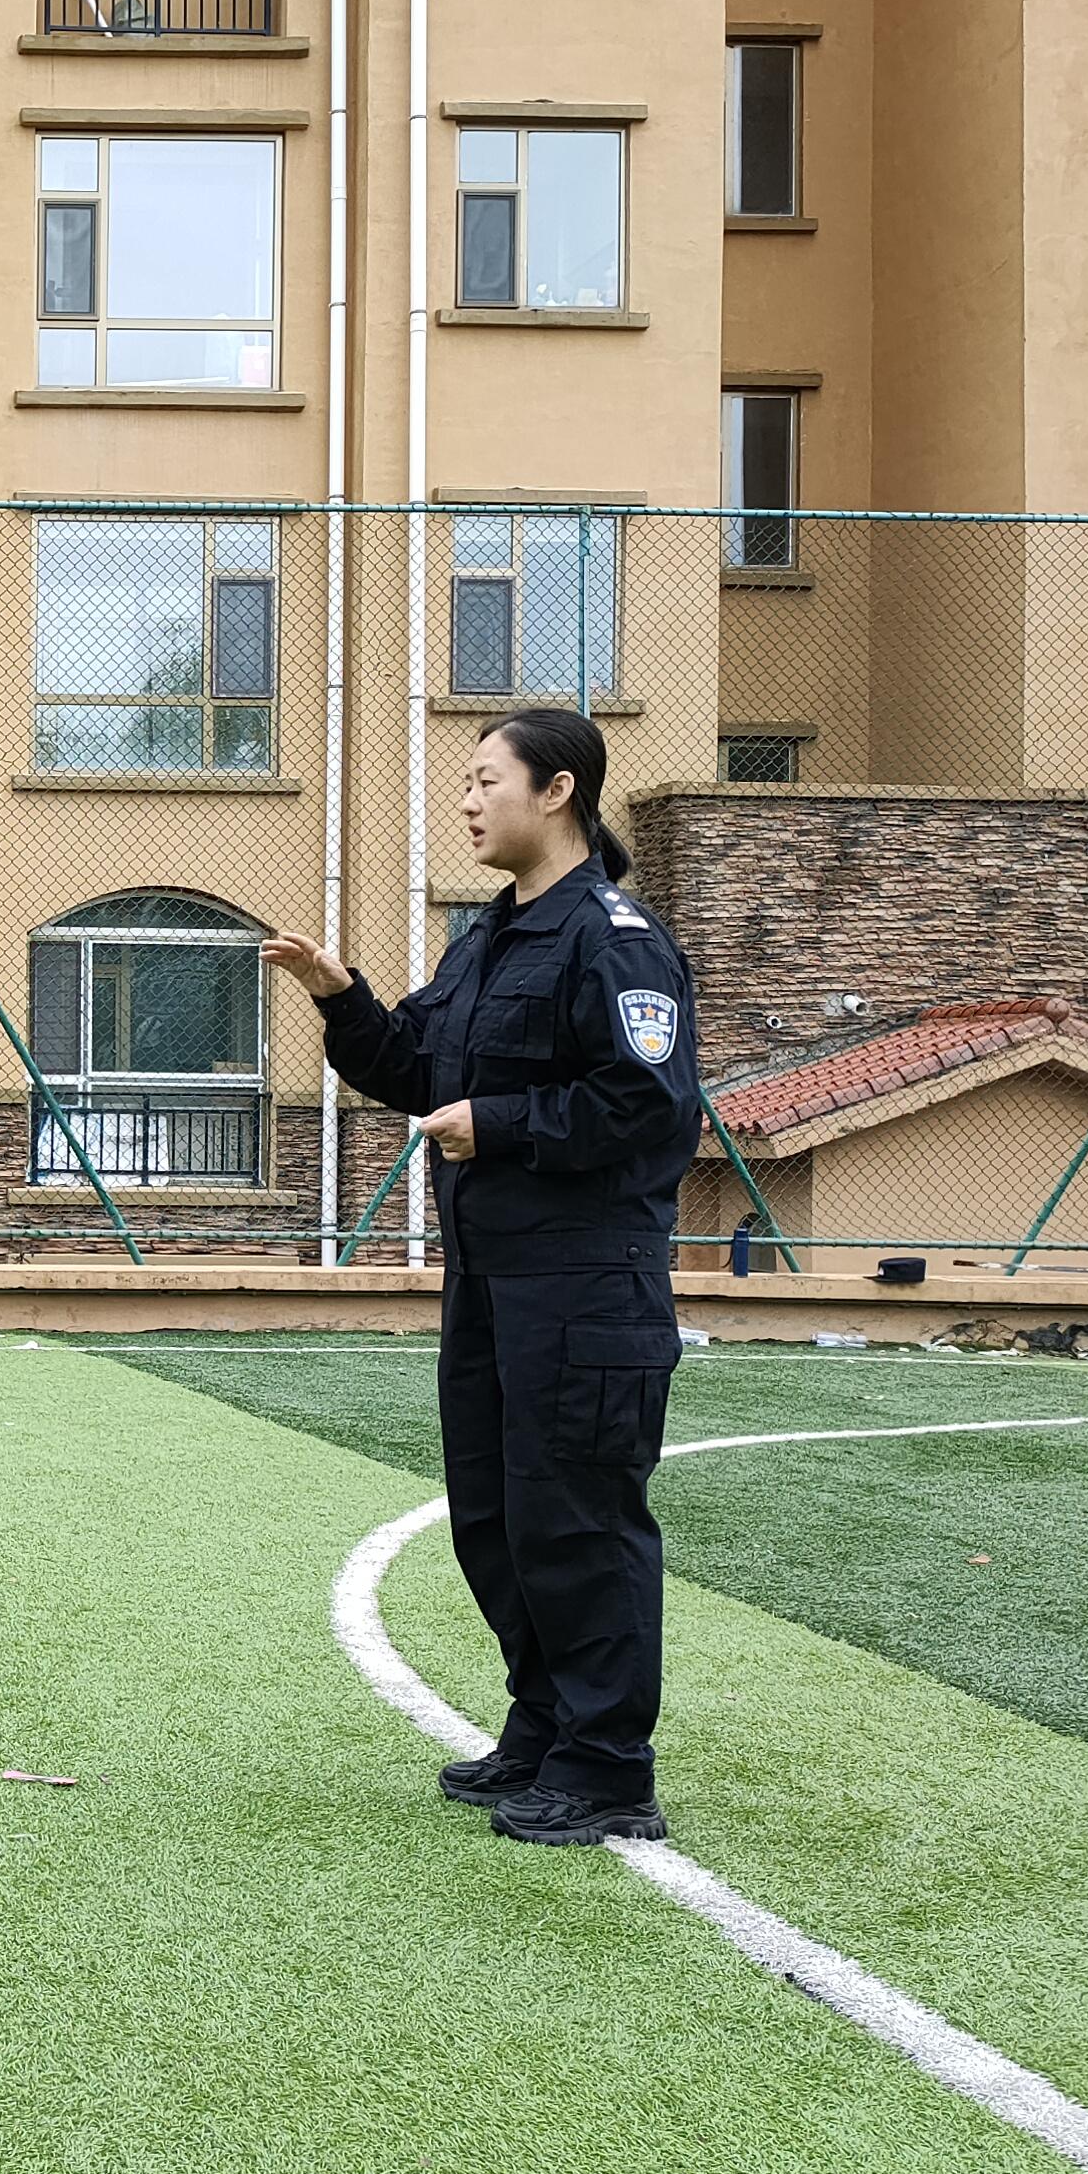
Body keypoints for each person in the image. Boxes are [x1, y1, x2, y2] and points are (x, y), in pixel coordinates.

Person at [264, 709, 703, 1847]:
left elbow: (648, 1107)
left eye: (482, 780)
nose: (465, 801)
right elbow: (413, 1066)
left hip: (586, 1284)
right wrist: (336, 995)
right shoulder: (489, 937)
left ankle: (608, 1767)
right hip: (494, 1281)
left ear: (557, 791)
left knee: (579, 1522)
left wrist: (501, 1124)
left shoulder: (615, 939)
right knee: (498, 1519)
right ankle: (545, 1729)